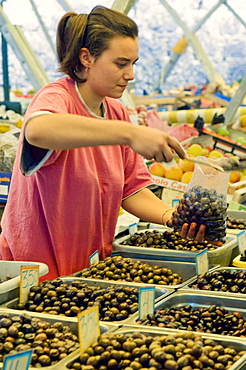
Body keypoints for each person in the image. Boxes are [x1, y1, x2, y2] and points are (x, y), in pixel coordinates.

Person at [0, 5, 205, 280]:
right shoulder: (56, 97)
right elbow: (37, 130)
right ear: (86, 58)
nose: (130, 75)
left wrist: (172, 216)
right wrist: (128, 133)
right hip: (36, 272)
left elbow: (132, 189)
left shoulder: (115, 111)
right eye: (121, 64)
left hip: (87, 268)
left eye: (134, 64)